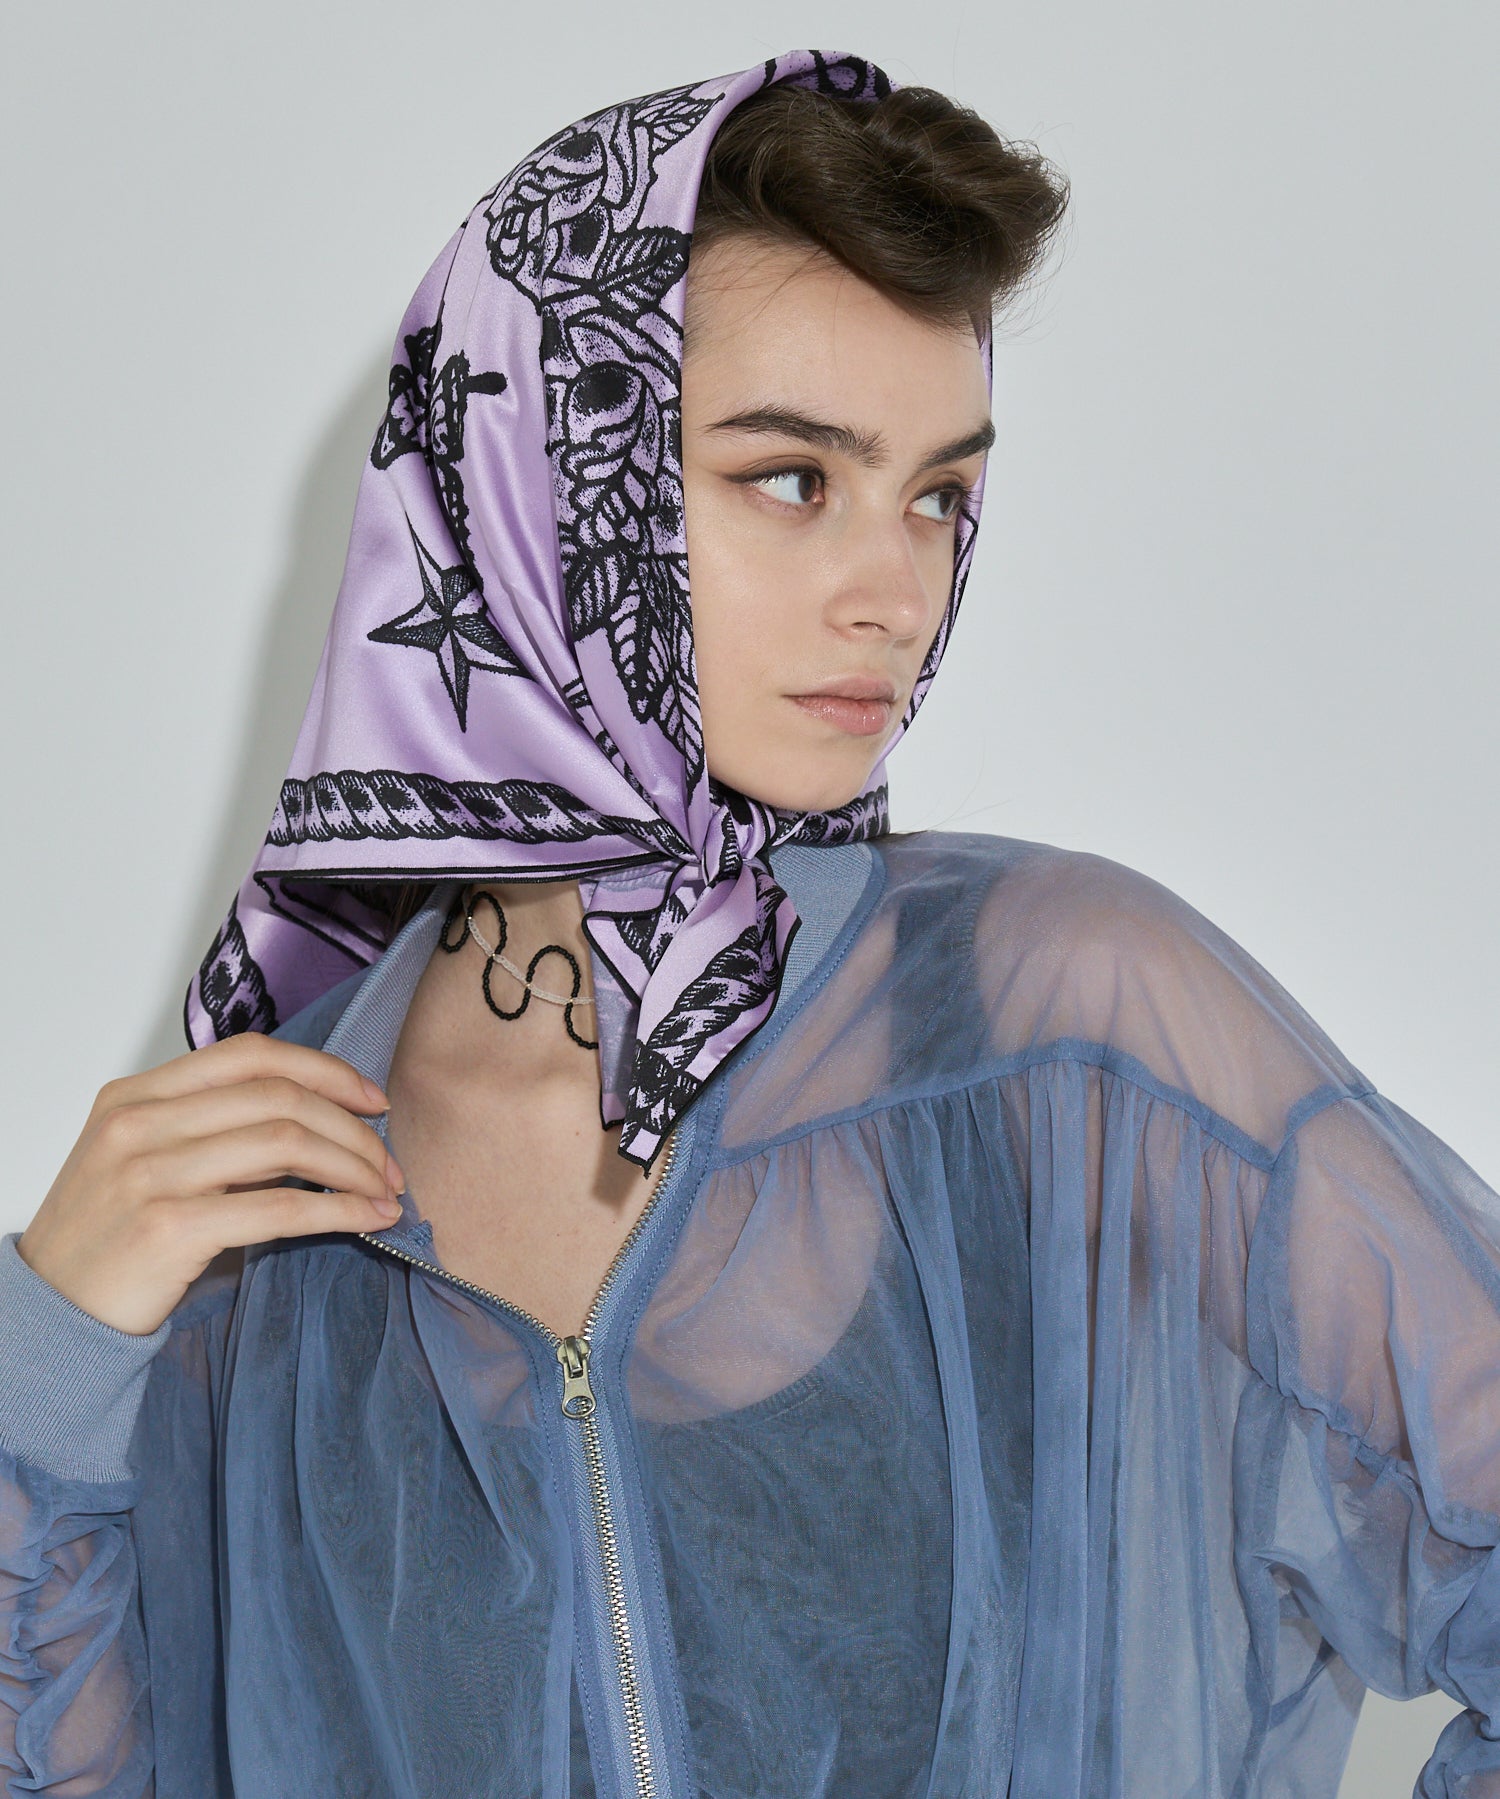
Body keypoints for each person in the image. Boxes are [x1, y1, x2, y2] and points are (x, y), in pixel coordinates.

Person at [1, 46, 1496, 1799]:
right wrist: (51, 1353)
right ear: (535, 485)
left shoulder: (1055, 1020)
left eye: (937, 494)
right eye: (793, 478)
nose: (896, 591)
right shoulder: (270, 1183)